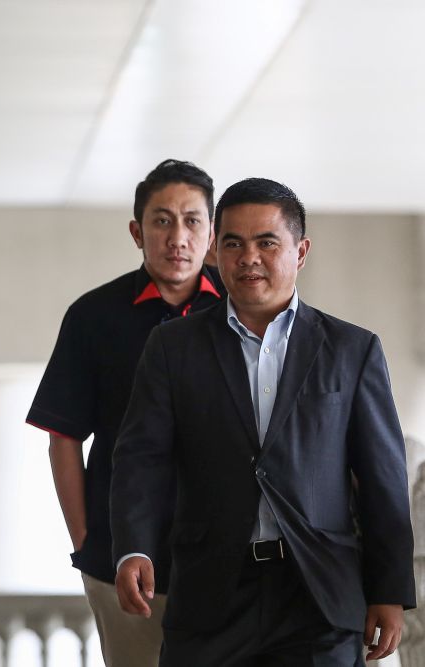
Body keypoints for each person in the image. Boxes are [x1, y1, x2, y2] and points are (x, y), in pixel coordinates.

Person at [111, 178, 416, 666]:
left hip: (318, 598)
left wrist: (390, 589)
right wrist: (133, 548)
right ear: (215, 251)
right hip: (210, 597)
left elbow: (383, 479)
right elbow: (140, 459)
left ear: (300, 251)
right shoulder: (173, 348)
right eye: (233, 243)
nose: (248, 257)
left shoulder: (352, 351)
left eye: (267, 243)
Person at [27, 159, 225, 666]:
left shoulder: (241, 310)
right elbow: (64, 438)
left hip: (228, 556)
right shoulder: (94, 316)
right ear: (138, 232)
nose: (177, 237)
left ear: (212, 233)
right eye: (161, 221)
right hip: (124, 561)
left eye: (192, 221)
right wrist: (87, 542)